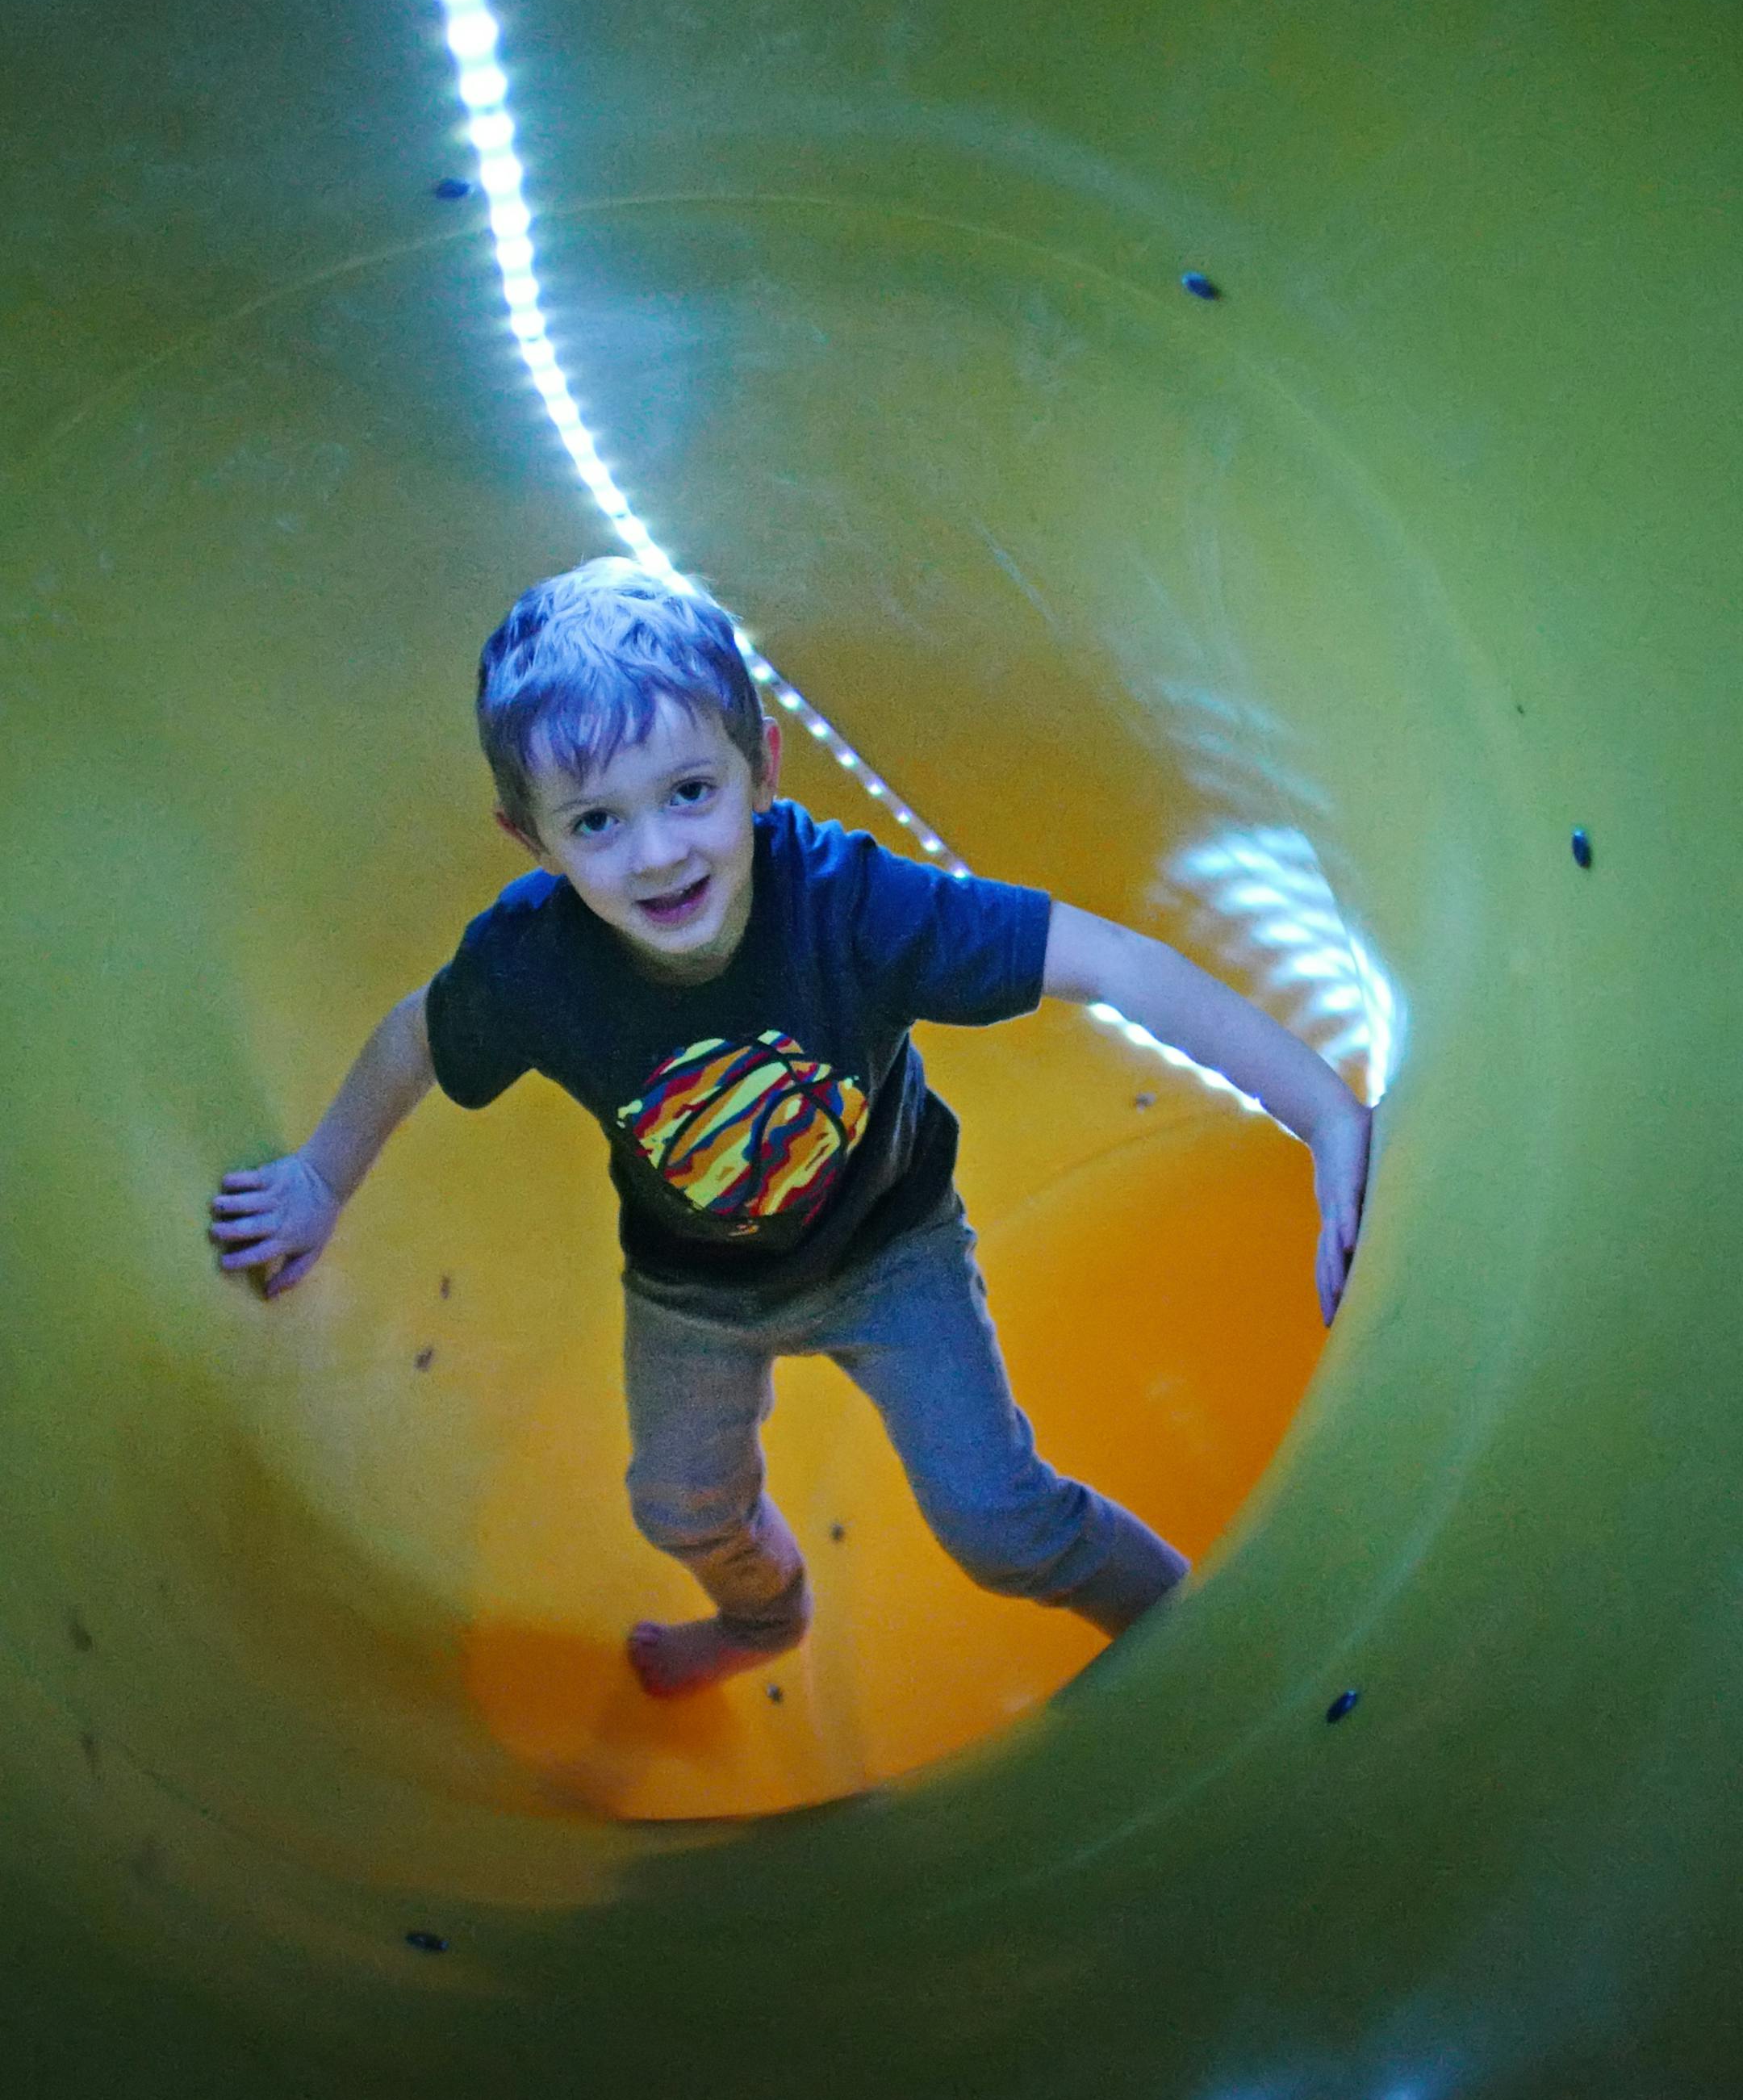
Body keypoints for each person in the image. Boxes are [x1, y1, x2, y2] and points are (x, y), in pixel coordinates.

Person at [208, 559, 1373, 1699]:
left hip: (889, 1243)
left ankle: (1184, 1633)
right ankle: (766, 1617)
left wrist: (1323, 1111)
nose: (658, 852)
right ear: (531, 840)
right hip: (694, 1289)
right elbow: (415, 1037)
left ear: (760, 767)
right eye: (597, 821)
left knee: (998, 1522)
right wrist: (318, 1178)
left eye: (689, 793)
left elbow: (1109, 961)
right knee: (678, 1505)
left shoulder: (851, 905)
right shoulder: (533, 962)